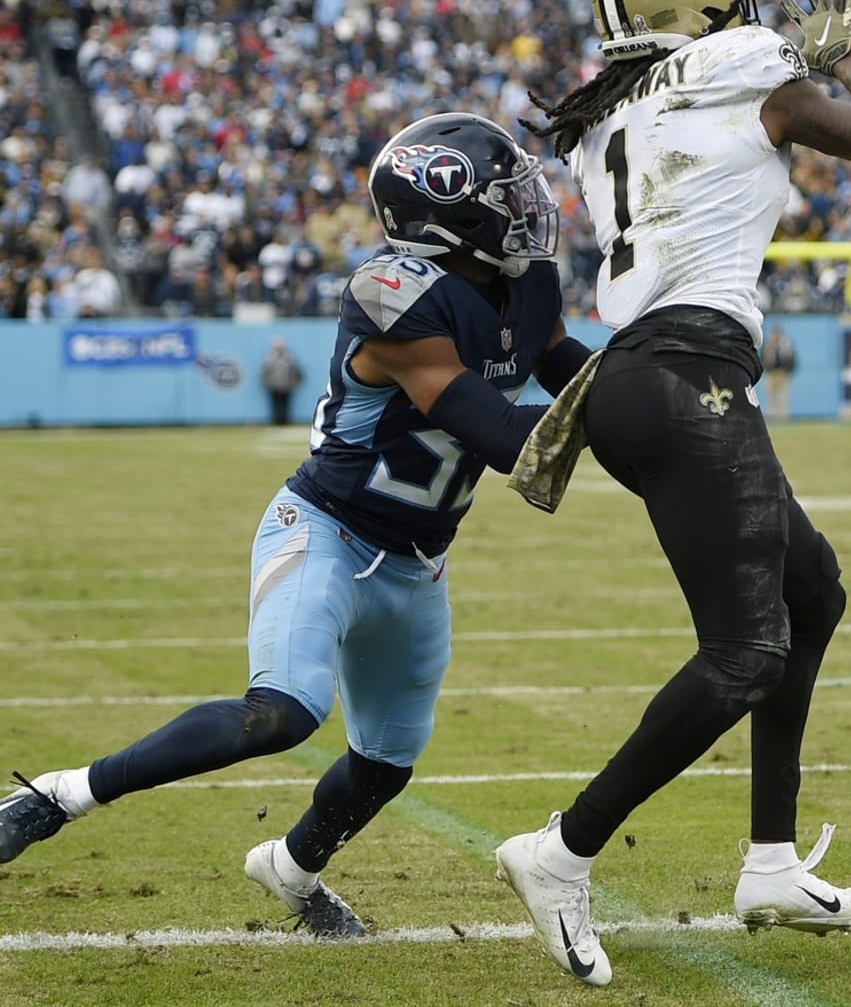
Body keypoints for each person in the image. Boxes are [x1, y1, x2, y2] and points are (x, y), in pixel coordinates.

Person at [0, 113, 593, 938]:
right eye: (508, 195)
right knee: (279, 713)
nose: (530, 205)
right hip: (326, 532)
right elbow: (504, 438)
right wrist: (643, 405)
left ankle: (290, 869)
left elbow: (577, 371)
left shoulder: (529, 285)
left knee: (385, 764)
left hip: (418, 561)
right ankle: (59, 794)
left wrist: (658, 380)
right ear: (447, 212)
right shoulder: (394, 295)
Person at [496, 0, 851, 986]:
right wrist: (847, 52)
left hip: (637, 378)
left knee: (811, 593)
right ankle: (563, 849)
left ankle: (772, 864)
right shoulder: (748, 66)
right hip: (685, 375)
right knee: (746, 652)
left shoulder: (607, 110)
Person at [261, 335, 304, 425]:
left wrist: (295, 382)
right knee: (275, 405)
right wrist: (266, 383)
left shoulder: (288, 357)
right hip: (274, 385)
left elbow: (296, 370)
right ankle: (276, 421)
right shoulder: (271, 357)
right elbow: (266, 371)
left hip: (286, 385)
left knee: (286, 405)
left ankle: (285, 421)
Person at [761, 325, 796, 420]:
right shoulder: (768, 345)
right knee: (771, 395)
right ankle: (772, 414)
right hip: (771, 373)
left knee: (783, 395)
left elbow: (792, 358)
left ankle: (783, 415)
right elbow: (763, 358)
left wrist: (788, 370)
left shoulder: (786, 344)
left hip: (782, 372)